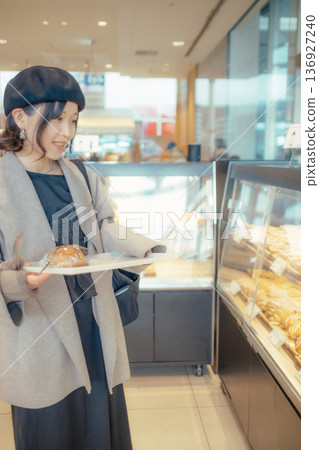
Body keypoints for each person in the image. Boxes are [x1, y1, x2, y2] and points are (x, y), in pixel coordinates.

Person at [0, 65, 165, 449]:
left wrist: (143, 246)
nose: (68, 133)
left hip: (94, 323)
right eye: (56, 119)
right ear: (20, 117)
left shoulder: (81, 175)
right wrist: (18, 281)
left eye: (73, 120)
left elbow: (103, 227)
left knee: (100, 432)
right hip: (39, 331)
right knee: (50, 432)